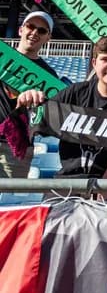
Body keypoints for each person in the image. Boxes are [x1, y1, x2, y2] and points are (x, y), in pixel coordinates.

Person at [16, 35, 107, 179]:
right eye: (105, 59)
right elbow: (32, 125)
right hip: (71, 181)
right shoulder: (73, 93)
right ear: (94, 63)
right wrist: (26, 102)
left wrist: (101, 190)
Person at [0, 10, 59, 177]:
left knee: (8, 193)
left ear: (48, 38)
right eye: (31, 26)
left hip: (14, 147)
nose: (34, 32)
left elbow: (47, 119)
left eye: (42, 30)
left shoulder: (49, 77)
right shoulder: (2, 57)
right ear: (21, 30)